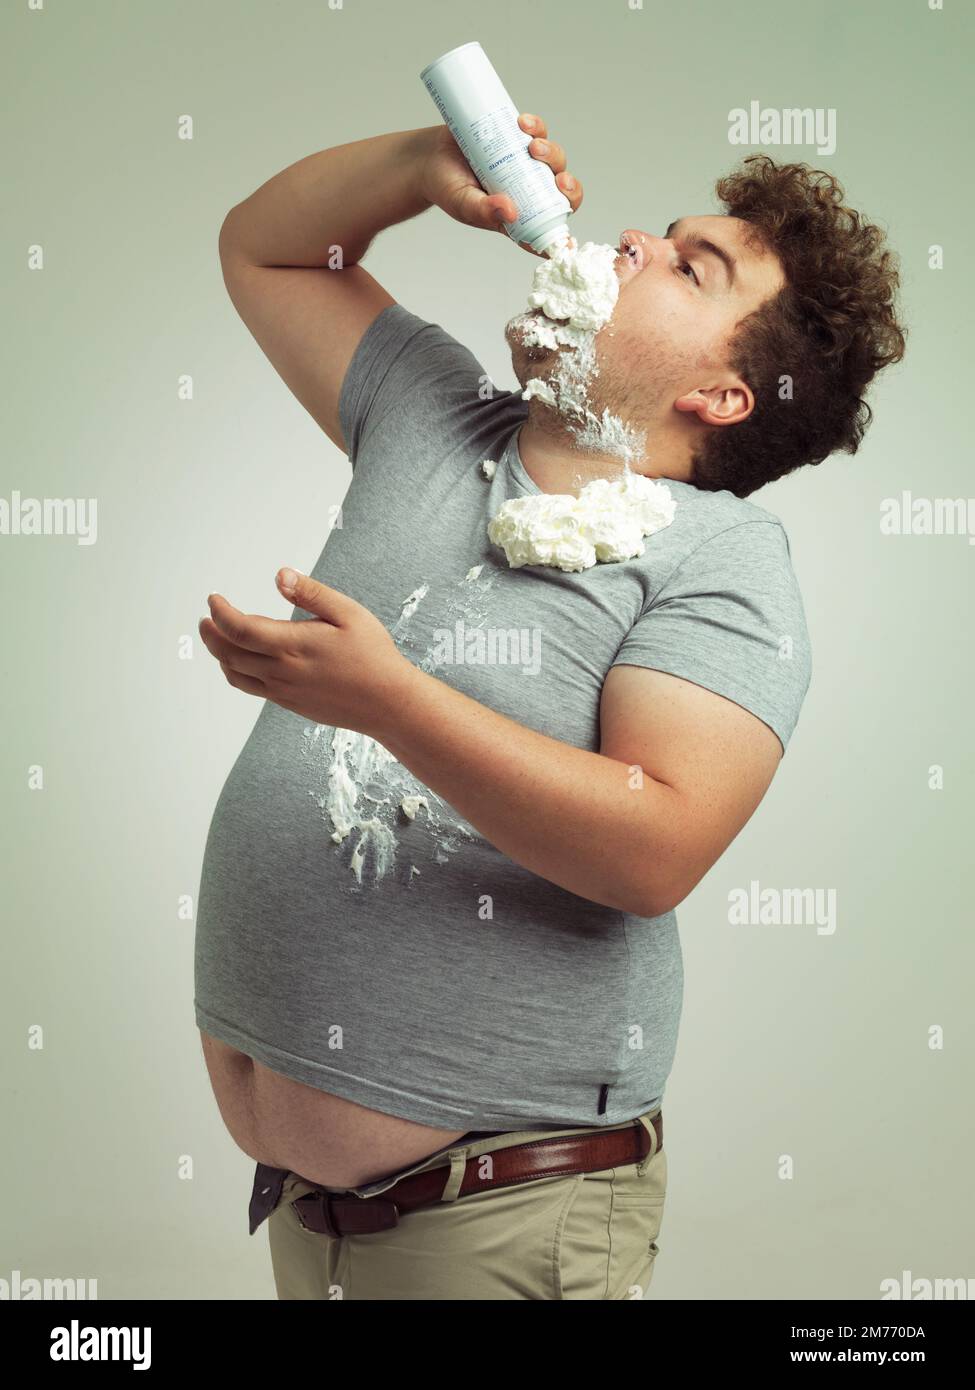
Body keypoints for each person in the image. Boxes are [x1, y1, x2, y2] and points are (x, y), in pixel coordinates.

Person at [194, 112, 906, 1300]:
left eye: (690, 265)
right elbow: (262, 250)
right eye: (664, 231)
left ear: (726, 395)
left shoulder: (722, 557)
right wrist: (419, 169)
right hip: (313, 1226)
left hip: (506, 1212)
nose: (633, 239)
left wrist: (394, 705)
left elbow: (657, 846)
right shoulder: (429, 415)